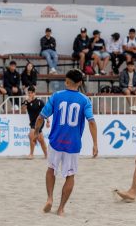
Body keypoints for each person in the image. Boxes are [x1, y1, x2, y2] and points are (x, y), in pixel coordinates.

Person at [34, 69, 98, 216]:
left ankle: (49, 198)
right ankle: (61, 208)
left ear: (66, 81)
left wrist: (37, 132)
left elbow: (41, 117)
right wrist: (95, 144)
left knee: (51, 169)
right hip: (73, 144)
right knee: (70, 176)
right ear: (80, 83)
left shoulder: (57, 96)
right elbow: (92, 122)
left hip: (56, 141)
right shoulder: (84, 100)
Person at [22, 86, 49, 159]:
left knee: (31, 135)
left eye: (31, 93)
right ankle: (46, 155)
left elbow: (45, 112)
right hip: (32, 122)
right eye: (29, 93)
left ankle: (31, 154)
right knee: (41, 140)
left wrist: (48, 121)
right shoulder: (26, 101)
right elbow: (23, 110)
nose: (30, 94)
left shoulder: (40, 102)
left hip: (40, 122)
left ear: (34, 93)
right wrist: (26, 102)